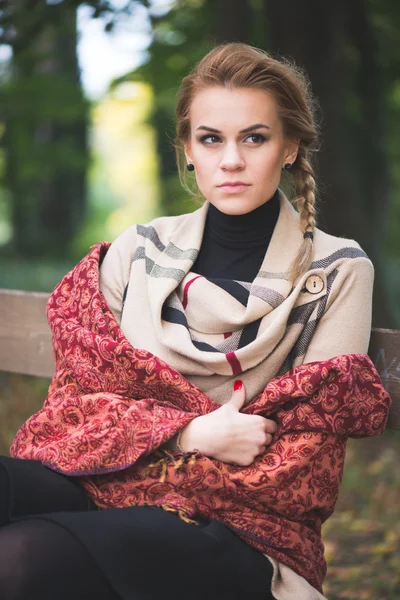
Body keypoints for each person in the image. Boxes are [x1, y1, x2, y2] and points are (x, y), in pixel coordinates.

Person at [0, 42, 380, 600]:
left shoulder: (336, 270)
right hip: (109, 485)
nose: (231, 161)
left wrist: (137, 428)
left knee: (21, 558)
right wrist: (186, 432)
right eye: (211, 139)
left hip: (240, 528)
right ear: (187, 149)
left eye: (255, 137)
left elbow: (301, 469)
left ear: (291, 146)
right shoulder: (136, 252)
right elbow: (73, 409)